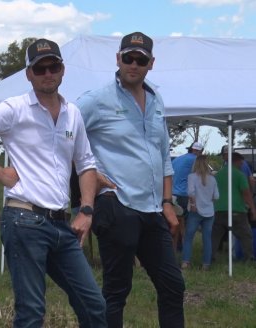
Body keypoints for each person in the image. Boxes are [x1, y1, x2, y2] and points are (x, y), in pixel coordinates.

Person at [0, 38, 107, 328]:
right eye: (40, 68)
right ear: (29, 74)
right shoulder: (15, 108)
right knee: (31, 312)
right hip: (25, 220)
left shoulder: (73, 114)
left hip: (61, 225)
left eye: (53, 66)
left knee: (94, 305)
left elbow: (86, 164)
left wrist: (86, 210)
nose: (48, 73)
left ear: (62, 70)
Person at [75, 31, 185, 328]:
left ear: (151, 63)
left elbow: (163, 155)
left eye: (141, 59)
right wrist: (91, 174)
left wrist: (167, 201)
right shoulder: (96, 101)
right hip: (118, 205)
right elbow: (63, 136)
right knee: (116, 291)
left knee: (173, 285)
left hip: (152, 209)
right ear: (118, 59)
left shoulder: (156, 99)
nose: (133, 64)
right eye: (128, 58)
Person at [212, 152, 256, 262]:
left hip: (218, 209)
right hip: (237, 210)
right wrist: (252, 209)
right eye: (241, 162)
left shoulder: (218, 174)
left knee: (215, 237)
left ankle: (209, 258)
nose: (242, 164)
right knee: (246, 235)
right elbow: (246, 193)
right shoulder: (239, 175)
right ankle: (249, 259)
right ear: (236, 161)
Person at [181, 155, 219, 270]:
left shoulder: (192, 177)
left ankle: (186, 262)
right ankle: (206, 264)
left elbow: (191, 192)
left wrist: (193, 204)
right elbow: (216, 196)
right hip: (209, 211)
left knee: (189, 237)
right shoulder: (212, 179)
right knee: (207, 238)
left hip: (195, 210)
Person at [172, 141, 204, 250]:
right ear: (199, 151)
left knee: (174, 221)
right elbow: (203, 175)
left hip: (172, 195)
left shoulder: (177, 159)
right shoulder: (195, 160)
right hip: (184, 195)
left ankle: (174, 245)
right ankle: (183, 247)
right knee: (186, 222)